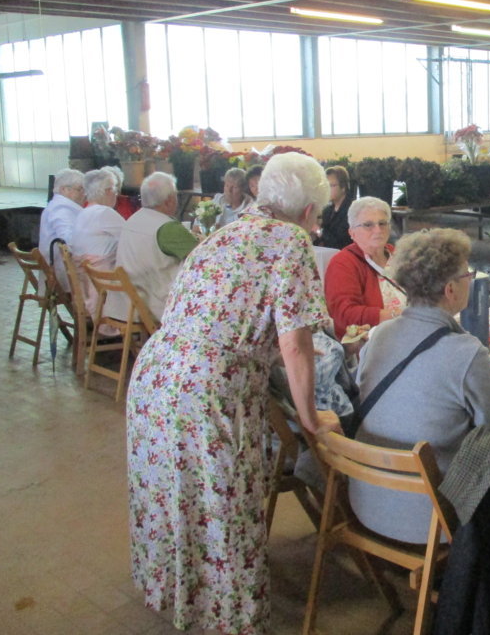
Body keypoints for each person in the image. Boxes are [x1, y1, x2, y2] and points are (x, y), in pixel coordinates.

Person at [126, 153, 342, 635]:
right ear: (309, 212)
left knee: (175, 494)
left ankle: (179, 595)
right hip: (208, 388)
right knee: (226, 503)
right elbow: (296, 343)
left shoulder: (229, 229)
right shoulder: (290, 241)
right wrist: (311, 419)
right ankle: (228, 618)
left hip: (157, 373)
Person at [351, 228, 490, 543]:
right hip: (427, 518)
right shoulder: (467, 353)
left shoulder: (379, 335)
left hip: (364, 501)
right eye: (468, 274)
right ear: (451, 290)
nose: (470, 280)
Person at [107, 172, 198, 323]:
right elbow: (203, 257)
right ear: (169, 200)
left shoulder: (133, 219)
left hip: (125, 303)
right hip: (155, 305)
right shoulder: (167, 227)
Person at [324, 196, 407, 339]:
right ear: (352, 233)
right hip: (373, 341)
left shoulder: (399, 255)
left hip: (411, 329)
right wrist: (398, 316)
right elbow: (344, 313)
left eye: (382, 223)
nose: (378, 230)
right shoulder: (343, 263)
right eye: (368, 225)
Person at [70, 169, 125, 317]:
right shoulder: (104, 213)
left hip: (87, 291)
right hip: (105, 296)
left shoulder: (83, 213)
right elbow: (133, 239)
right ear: (107, 191)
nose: (116, 194)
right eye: (115, 189)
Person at [38, 167, 84, 290]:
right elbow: (67, 240)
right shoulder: (62, 209)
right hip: (62, 272)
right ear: (64, 189)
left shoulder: (58, 206)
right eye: (80, 189)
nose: (84, 194)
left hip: (59, 267)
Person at [317, 165, 353, 249]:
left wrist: (318, 230)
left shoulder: (352, 210)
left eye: (331, 186)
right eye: (325, 186)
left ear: (343, 187)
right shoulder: (327, 211)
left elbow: (341, 242)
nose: (327, 190)